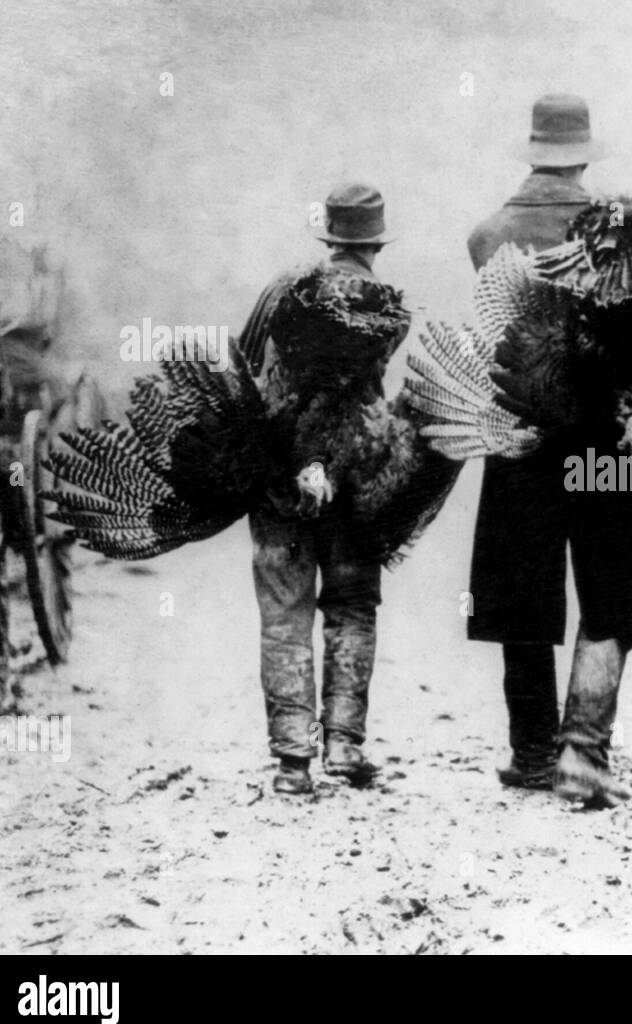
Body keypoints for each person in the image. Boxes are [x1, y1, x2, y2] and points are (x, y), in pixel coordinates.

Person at [465, 94, 632, 806]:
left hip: (521, 433)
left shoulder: (489, 233)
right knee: (618, 583)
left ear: (531, 153)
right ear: (585, 154)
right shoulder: (620, 231)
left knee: (520, 591)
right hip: (603, 435)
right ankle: (583, 751)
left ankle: (532, 753)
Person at [238, 183, 397, 795]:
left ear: (328, 235)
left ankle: (291, 762)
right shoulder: (385, 305)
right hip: (356, 475)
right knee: (352, 606)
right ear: (375, 242)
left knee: (284, 613)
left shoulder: (282, 291)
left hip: (278, 472)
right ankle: (344, 747)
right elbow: (359, 389)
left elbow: (246, 369)